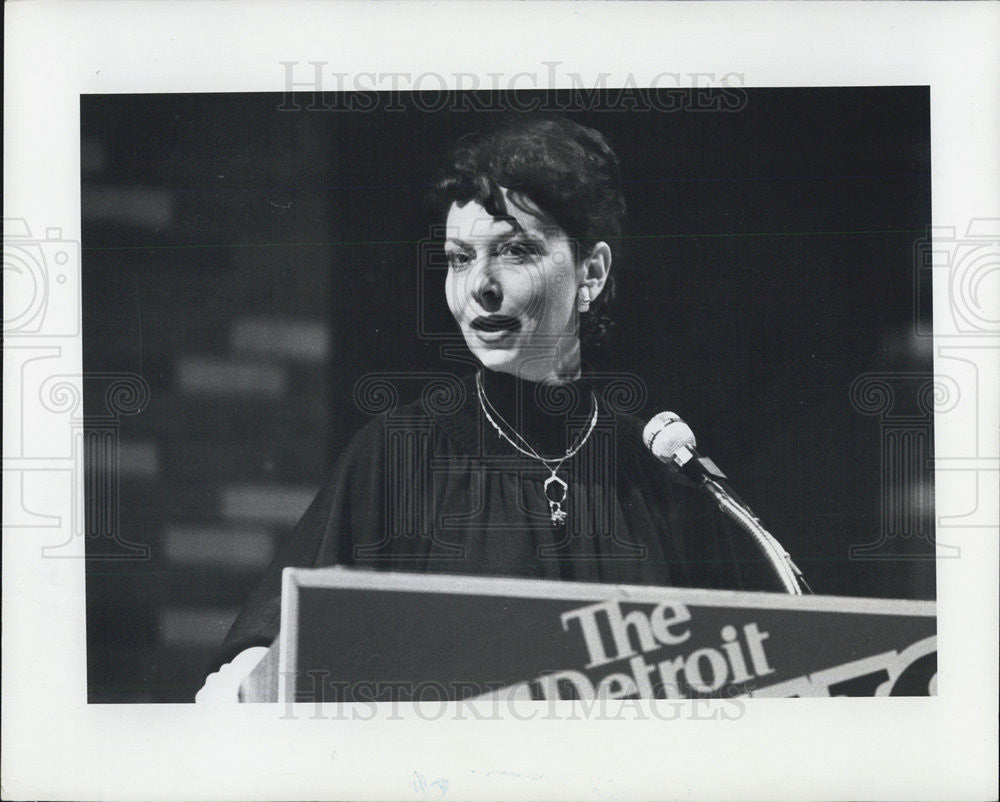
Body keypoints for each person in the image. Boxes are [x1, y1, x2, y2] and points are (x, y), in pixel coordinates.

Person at [196, 114, 784, 702]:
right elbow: (256, 674)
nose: (480, 285)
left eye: (515, 251)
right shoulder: (401, 456)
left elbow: (756, 681)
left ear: (592, 273)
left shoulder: (656, 476)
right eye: (459, 258)